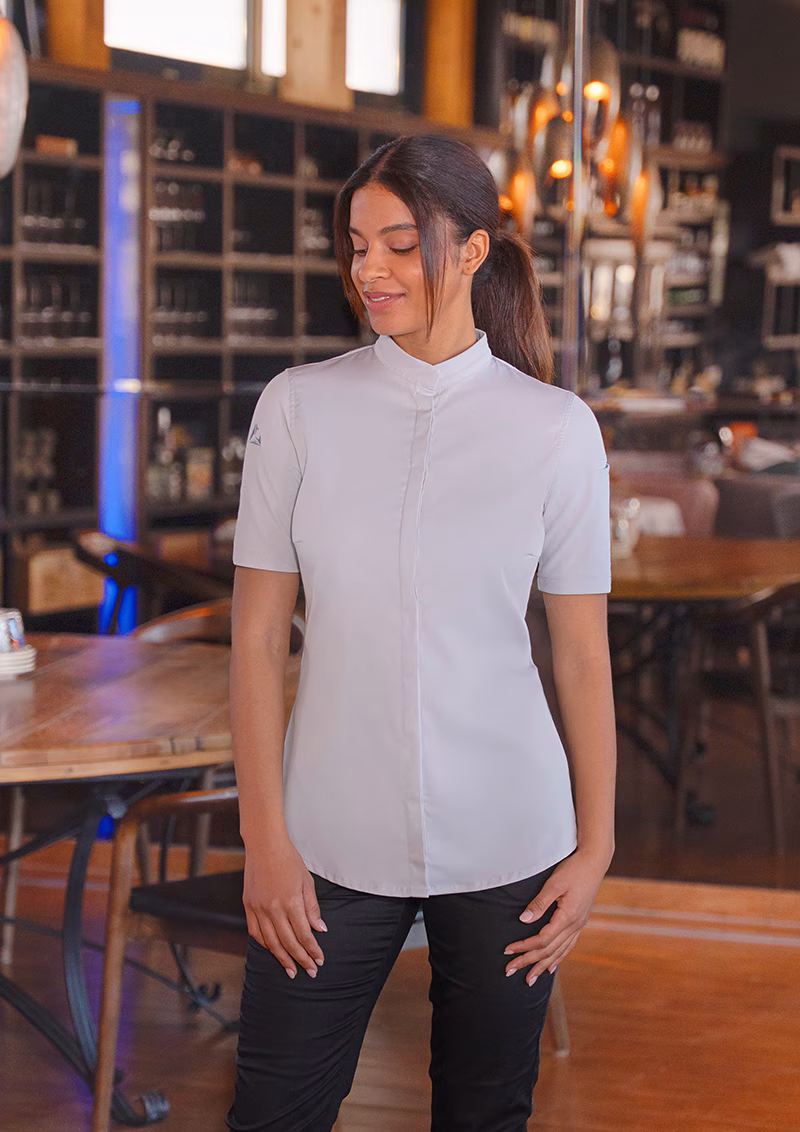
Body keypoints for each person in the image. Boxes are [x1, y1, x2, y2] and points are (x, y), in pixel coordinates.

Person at [227, 134, 616, 1132]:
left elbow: (580, 655)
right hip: (325, 838)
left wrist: (596, 844)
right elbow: (258, 641)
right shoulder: (297, 408)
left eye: (401, 245)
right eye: (358, 246)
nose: (371, 270)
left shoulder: (556, 429)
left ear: (473, 250)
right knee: (273, 1112)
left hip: (511, 839)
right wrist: (264, 838)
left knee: (485, 1114)